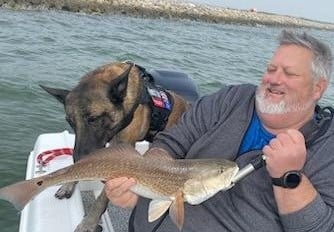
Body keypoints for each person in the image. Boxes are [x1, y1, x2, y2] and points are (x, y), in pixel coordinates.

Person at [105, 29, 334, 231]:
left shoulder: (328, 147)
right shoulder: (230, 99)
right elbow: (171, 142)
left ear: (317, 88)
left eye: (289, 73)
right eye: (271, 69)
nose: (274, 79)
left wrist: (289, 177)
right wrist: (145, 185)